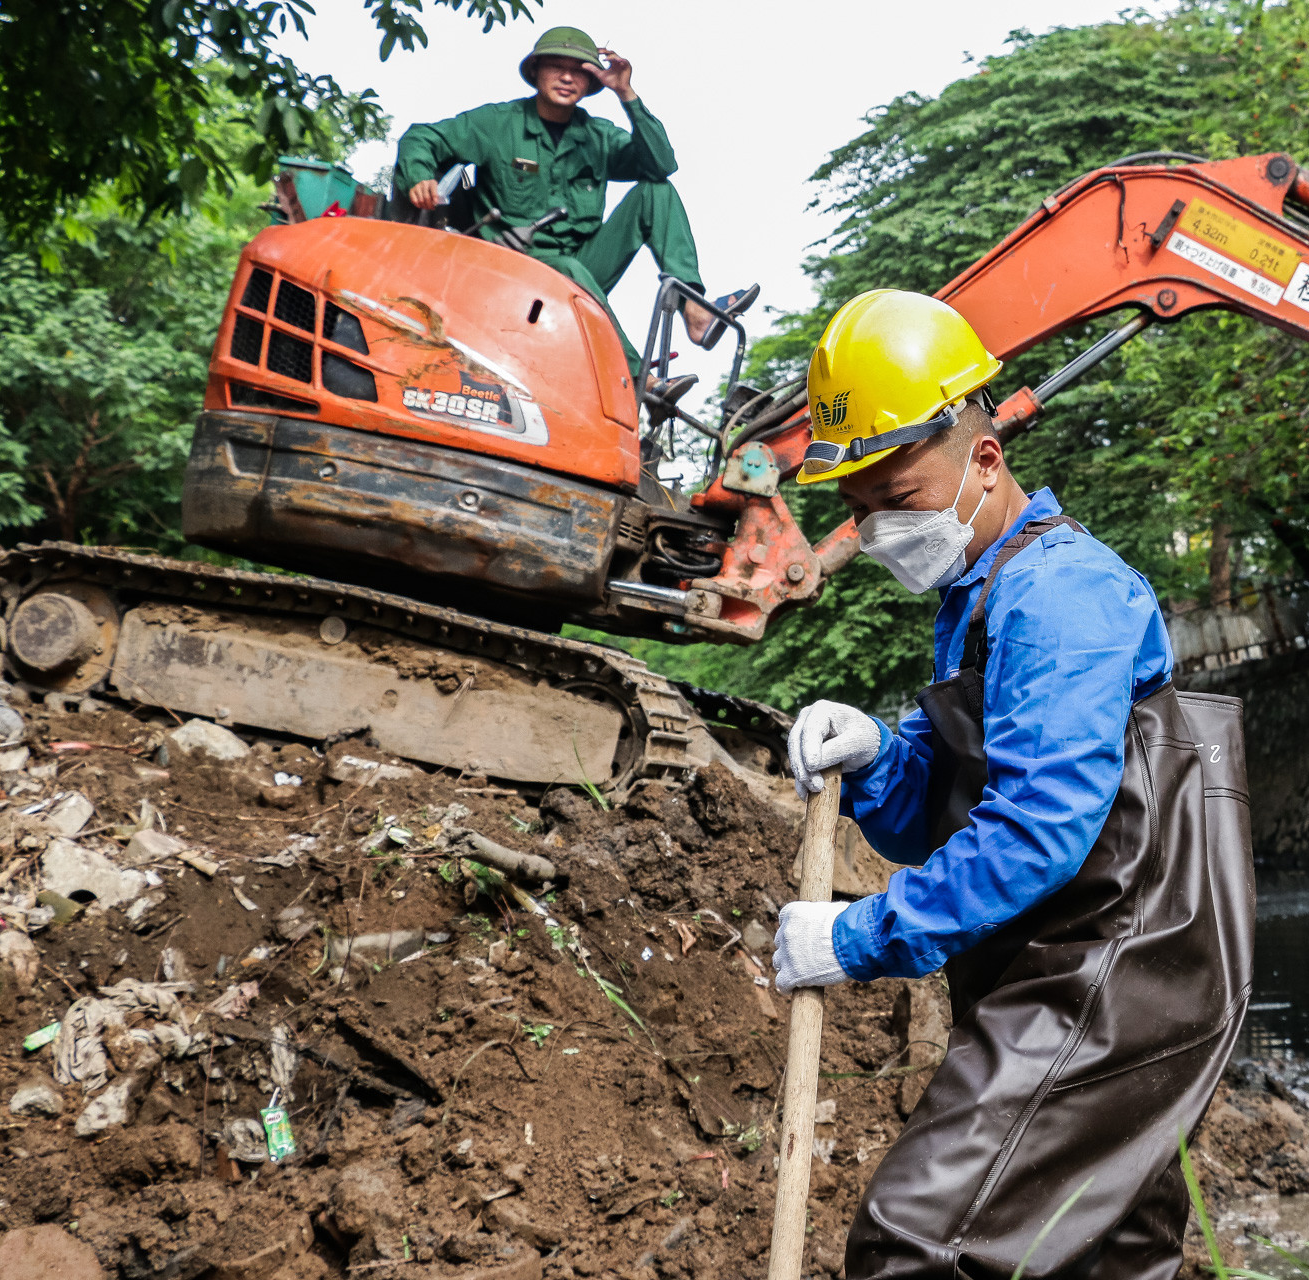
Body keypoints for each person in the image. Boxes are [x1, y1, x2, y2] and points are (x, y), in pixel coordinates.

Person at [775, 289, 1255, 1280]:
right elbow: (939, 818)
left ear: (985, 458)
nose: (877, 531)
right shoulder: (981, 596)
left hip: (1113, 973)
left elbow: (1038, 830)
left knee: (917, 1241)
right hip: (1069, 965)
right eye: (859, 512)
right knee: (1107, 1257)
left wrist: (857, 938)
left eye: (897, 499)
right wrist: (877, 759)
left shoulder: (1063, 594)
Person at [393, 26, 753, 383]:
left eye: (579, 70)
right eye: (556, 67)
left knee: (657, 191)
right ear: (535, 71)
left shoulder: (597, 135)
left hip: (581, 270)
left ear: (591, 82)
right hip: (511, 271)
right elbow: (421, 137)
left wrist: (626, 94)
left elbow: (661, 164)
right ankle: (637, 381)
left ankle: (695, 310)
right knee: (567, 268)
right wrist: (420, 177)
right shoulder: (498, 124)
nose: (567, 78)